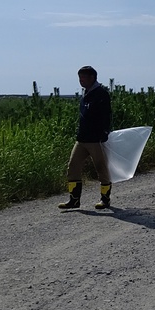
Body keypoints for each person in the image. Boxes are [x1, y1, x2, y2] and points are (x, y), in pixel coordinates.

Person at [59, 66, 114, 210]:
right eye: (79, 78)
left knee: (101, 169)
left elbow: (106, 115)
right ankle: (74, 200)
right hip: (82, 139)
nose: (81, 81)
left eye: (83, 78)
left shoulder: (101, 94)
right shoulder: (86, 94)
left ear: (92, 78)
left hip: (96, 140)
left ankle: (105, 199)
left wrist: (104, 133)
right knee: (73, 167)